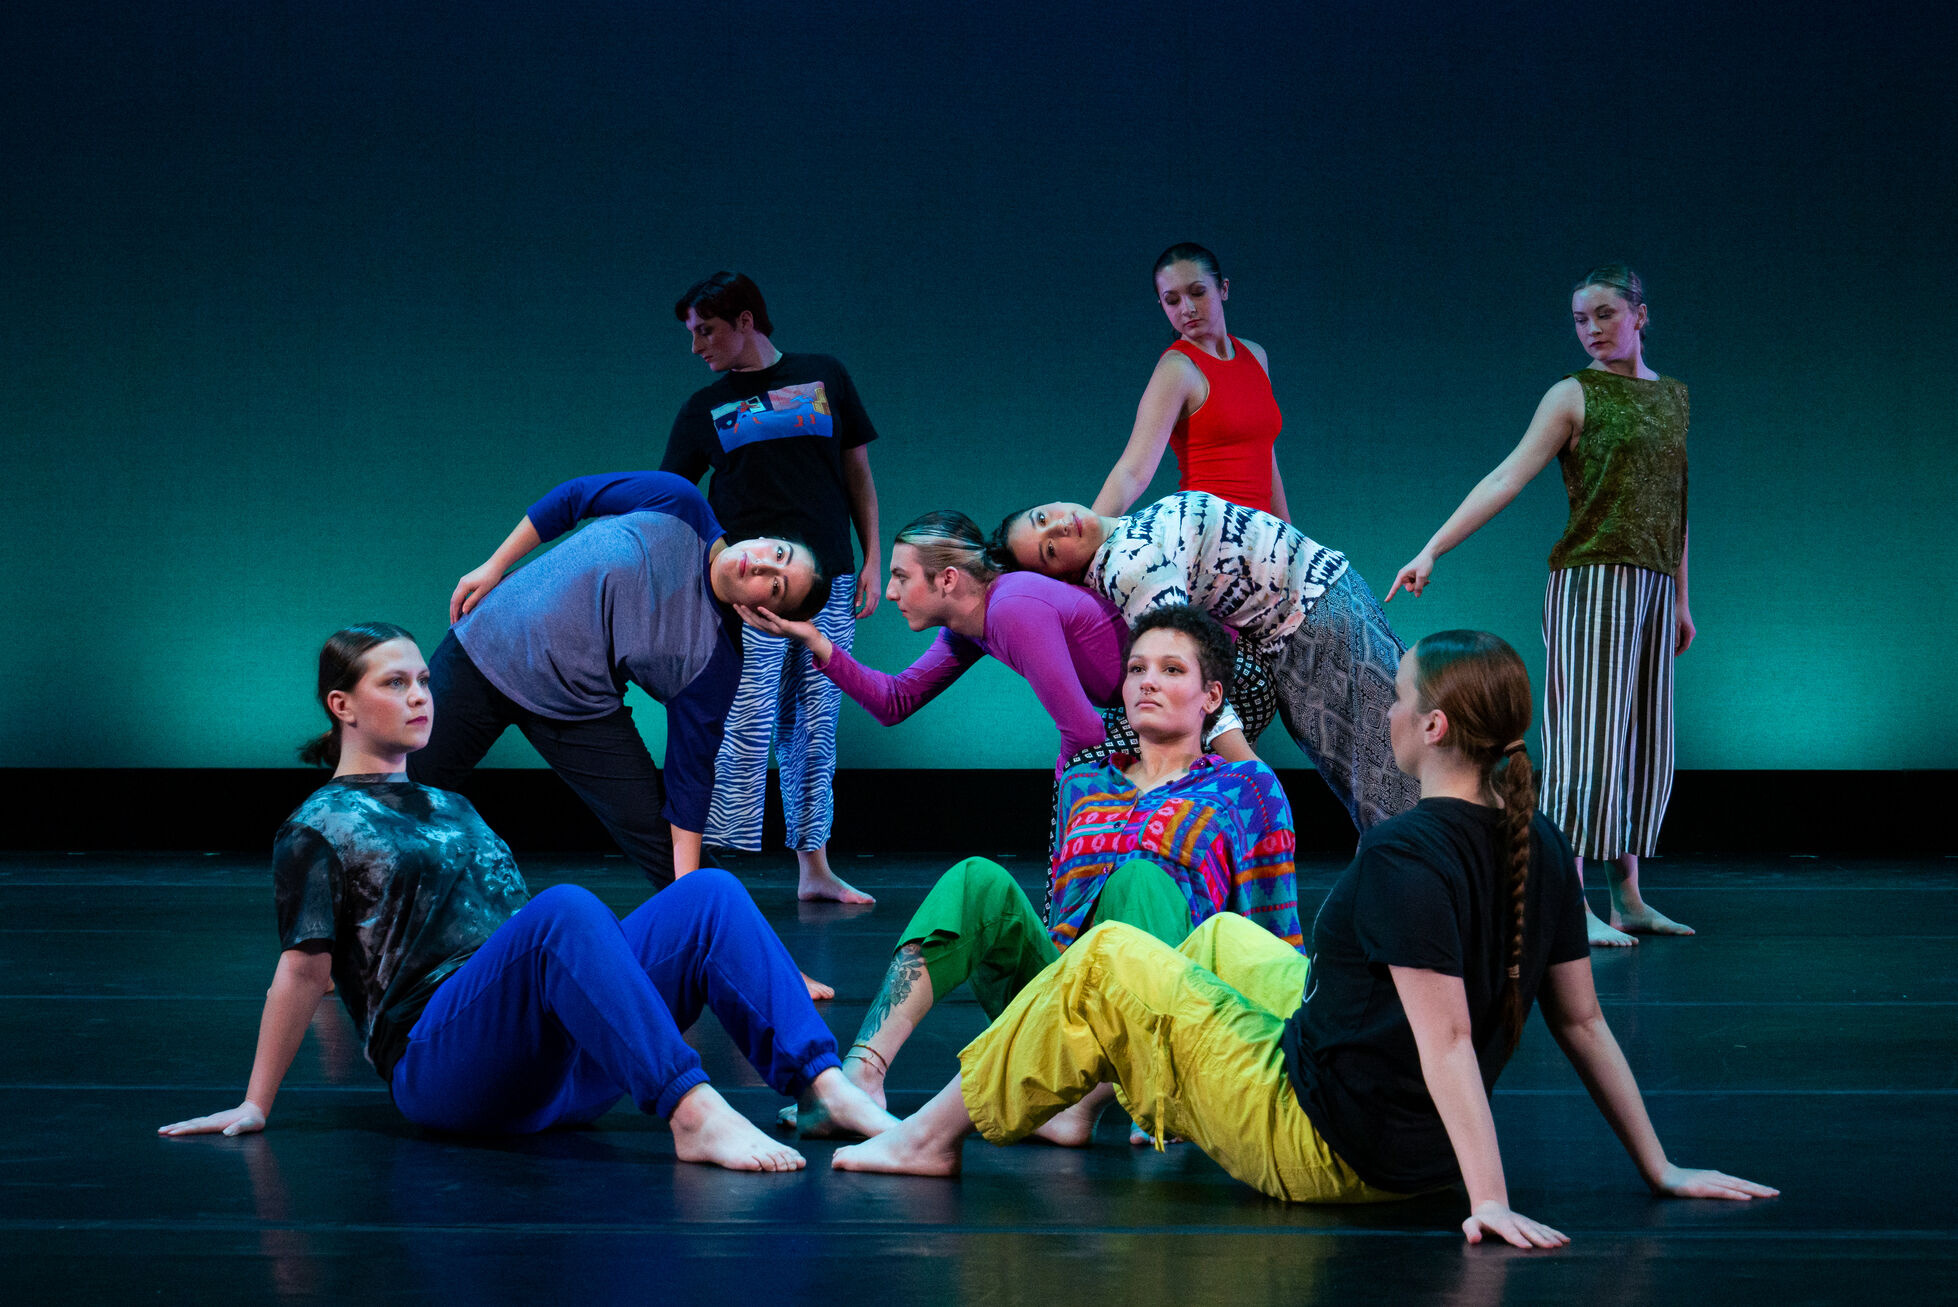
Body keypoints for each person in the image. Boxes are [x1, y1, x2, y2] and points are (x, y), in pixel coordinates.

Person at [832, 631, 1776, 1248]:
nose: (1387, 710)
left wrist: (1485, 1198)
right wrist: (1662, 1165)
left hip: (1326, 1142)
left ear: (1434, 727)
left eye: (1397, 696)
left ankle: (925, 1138)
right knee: (1227, 939)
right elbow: (1583, 1024)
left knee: (1107, 960)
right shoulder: (1542, 841)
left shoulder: (1407, 851)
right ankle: (1059, 1089)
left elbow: (1446, 1041)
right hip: (1395, 1135)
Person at [157, 625, 894, 1169]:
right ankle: (693, 1111)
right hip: (446, 1069)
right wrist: (257, 1103)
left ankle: (821, 1085)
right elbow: (303, 970)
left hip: (550, 1066)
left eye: (422, 680)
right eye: (394, 683)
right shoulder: (319, 825)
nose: (419, 696)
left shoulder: (453, 806)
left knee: (707, 895)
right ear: (342, 705)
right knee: (566, 909)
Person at [793, 607, 1302, 1133]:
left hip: (1176, 1015)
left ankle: (1126, 1096)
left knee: (1141, 879)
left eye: (1172, 670)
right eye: (1136, 669)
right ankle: (860, 1077)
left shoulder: (1247, 790)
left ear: (1211, 696)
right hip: (1062, 1004)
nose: (1148, 682)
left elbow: (1273, 940)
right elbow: (1062, 912)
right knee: (976, 879)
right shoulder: (1085, 783)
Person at [1385, 264, 1693, 947]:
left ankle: (1629, 896)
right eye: (1582, 318)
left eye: (1606, 315)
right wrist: (1433, 547)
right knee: (1587, 743)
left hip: (1650, 586)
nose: (1592, 329)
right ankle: (1566, 897)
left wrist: (1679, 597)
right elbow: (1507, 475)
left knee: (1641, 743)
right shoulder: (1571, 395)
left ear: (1641, 315)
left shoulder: (1672, 398)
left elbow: (1677, 503)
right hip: (1592, 584)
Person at [425, 470, 823, 892]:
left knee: (670, 854)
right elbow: (572, 497)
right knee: (384, 797)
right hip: (485, 649)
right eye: (778, 553)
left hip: (575, 710)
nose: (760, 564)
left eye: (776, 586)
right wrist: (495, 565)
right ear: (765, 537)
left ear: (766, 616)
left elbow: (689, 779)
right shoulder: (680, 503)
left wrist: (684, 890)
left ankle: (737, 949)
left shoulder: (715, 661)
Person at [997, 490, 1421, 832]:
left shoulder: (1123, 532)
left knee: (1406, 774)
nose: (1058, 526)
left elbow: (1131, 470)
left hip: (1330, 598)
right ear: (1064, 574)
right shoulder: (1128, 566)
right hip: (1311, 629)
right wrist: (1250, 770)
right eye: (1050, 549)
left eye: (1040, 517)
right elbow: (1186, 665)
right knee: (1397, 791)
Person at [662, 272, 883, 905]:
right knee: (744, 719)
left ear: (746, 320)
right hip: (748, 593)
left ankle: (814, 867)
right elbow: (671, 499)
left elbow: (857, 475)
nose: (698, 345)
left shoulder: (824, 375)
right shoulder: (703, 408)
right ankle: (716, 873)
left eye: (706, 330)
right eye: (693, 333)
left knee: (815, 722)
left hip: (830, 580)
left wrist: (870, 557)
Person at [738, 510, 1139, 770]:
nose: (891, 593)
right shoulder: (969, 627)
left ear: (947, 579)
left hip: (1177, 711)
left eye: (901, 577)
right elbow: (895, 702)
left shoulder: (1012, 609)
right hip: (1134, 717)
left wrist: (1069, 822)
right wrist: (815, 639)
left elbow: (1085, 734)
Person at [1091, 243, 1288, 520]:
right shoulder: (1177, 369)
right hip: (1209, 538)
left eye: (1197, 292)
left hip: (1263, 541)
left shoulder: (1256, 356)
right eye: (1172, 300)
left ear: (1224, 289)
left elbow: (1266, 460)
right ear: (1161, 305)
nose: (1187, 308)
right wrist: (1082, 542)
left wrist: (1291, 539)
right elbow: (1132, 473)